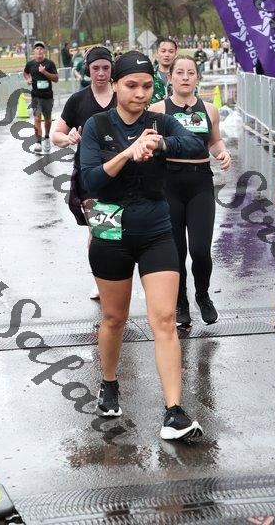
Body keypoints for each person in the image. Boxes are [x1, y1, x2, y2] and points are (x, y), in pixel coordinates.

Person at [79, 51, 205, 439]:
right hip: (111, 232)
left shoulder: (160, 121)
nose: (140, 93)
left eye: (147, 86)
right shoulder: (97, 125)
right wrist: (127, 153)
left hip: (155, 230)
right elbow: (90, 180)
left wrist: (161, 144)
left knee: (164, 320)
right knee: (114, 318)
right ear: (116, 85)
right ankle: (109, 383)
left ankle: (174, 412)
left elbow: (195, 145)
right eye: (131, 85)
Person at [151, 56, 231, 326]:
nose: (185, 77)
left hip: (200, 183)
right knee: (176, 250)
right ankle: (180, 301)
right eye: (180, 72)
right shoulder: (158, 109)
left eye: (191, 73)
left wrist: (223, 153)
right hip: (169, 184)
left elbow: (215, 141)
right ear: (170, 77)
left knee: (200, 249)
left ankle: (203, 295)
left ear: (198, 77)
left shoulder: (209, 109)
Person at [52, 46, 116, 300]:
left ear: (111, 69)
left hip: (123, 172)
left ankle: (119, 277)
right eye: (95, 68)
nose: (100, 73)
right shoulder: (78, 100)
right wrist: (68, 138)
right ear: (88, 70)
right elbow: (56, 135)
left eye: (105, 68)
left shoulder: (122, 96)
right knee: (100, 230)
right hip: (90, 174)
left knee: (122, 230)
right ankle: (102, 280)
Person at [23, 40, 59, 154]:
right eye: (37, 48)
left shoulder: (49, 64)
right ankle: (38, 143)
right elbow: (25, 73)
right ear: (33, 51)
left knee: (47, 119)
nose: (39, 50)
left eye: (41, 48)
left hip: (48, 96)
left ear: (44, 51)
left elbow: (56, 79)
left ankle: (47, 137)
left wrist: (44, 72)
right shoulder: (30, 64)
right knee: (37, 118)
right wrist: (28, 79)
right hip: (36, 96)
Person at [151, 37, 178, 104]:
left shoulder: (182, 77)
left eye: (171, 52)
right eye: (163, 51)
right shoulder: (149, 75)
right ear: (157, 53)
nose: (167, 55)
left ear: (175, 54)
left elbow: (191, 101)